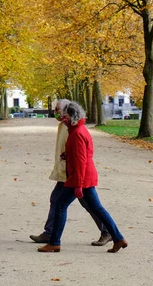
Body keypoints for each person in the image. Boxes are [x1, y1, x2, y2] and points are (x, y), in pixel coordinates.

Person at [37, 102, 128, 254]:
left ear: (72, 116)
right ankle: (118, 238)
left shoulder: (77, 133)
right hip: (85, 176)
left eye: (64, 116)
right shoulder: (78, 130)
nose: (62, 118)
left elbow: (81, 162)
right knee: (97, 208)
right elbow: (83, 153)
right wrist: (68, 155)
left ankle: (54, 242)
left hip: (80, 177)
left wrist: (78, 185)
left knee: (60, 205)